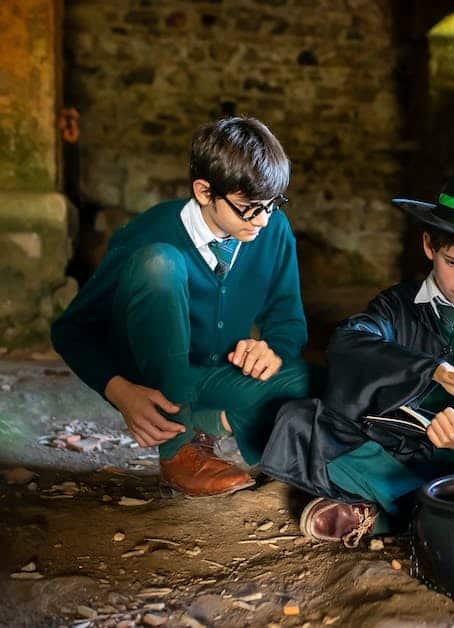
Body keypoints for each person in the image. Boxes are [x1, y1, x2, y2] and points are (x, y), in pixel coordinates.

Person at [260, 91, 454, 547]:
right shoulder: (395, 305)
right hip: (391, 455)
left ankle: (400, 513)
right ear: (430, 246)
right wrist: (433, 372)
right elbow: (349, 345)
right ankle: (449, 513)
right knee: (298, 421)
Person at [51, 117, 310, 497]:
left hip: (216, 375)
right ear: (205, 191)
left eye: (273, 204)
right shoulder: (146, 233)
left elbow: (287, 320)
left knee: (321, 383)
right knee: (160, 264)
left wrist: (272, 350)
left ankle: (207, 421)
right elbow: (70, 330)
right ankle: (178, 449)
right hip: (154, 380)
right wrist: (120, 390)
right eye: (248, 208)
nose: (264, 219)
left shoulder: (273, 228)